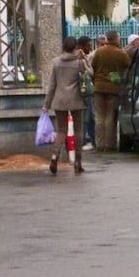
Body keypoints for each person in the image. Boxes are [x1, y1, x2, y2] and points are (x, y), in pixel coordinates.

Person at [42, 36, 87, 175]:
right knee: (78, 130)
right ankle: (78, 162)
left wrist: (46, 104)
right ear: (75, 47)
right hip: (77, 100)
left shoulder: (56, 62)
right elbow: (90, 74)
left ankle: (55, 155)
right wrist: (85, 59)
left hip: (59, 100)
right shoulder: (79, 62)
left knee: (62, 130)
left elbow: (52, 86)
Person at [90, 30, 130, 151]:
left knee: (99, 116)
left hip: (99, 87)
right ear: (116, 39)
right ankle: (109, 144)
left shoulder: (99, 51)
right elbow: (128, 66)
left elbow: (93, 66)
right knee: (110, 116)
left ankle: (99, 144)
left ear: (107, 39)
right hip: (113, 88)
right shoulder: (121, 53)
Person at [76, 36, 96, 150]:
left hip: (80, 91)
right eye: (88, 45)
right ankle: (87, 140)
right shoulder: (81, 59)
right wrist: (86, 61)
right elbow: (90, 73)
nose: (90, 48)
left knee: (85, 117)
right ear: (81, 46)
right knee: (87, 117)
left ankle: (84, 139)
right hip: (85, 91)